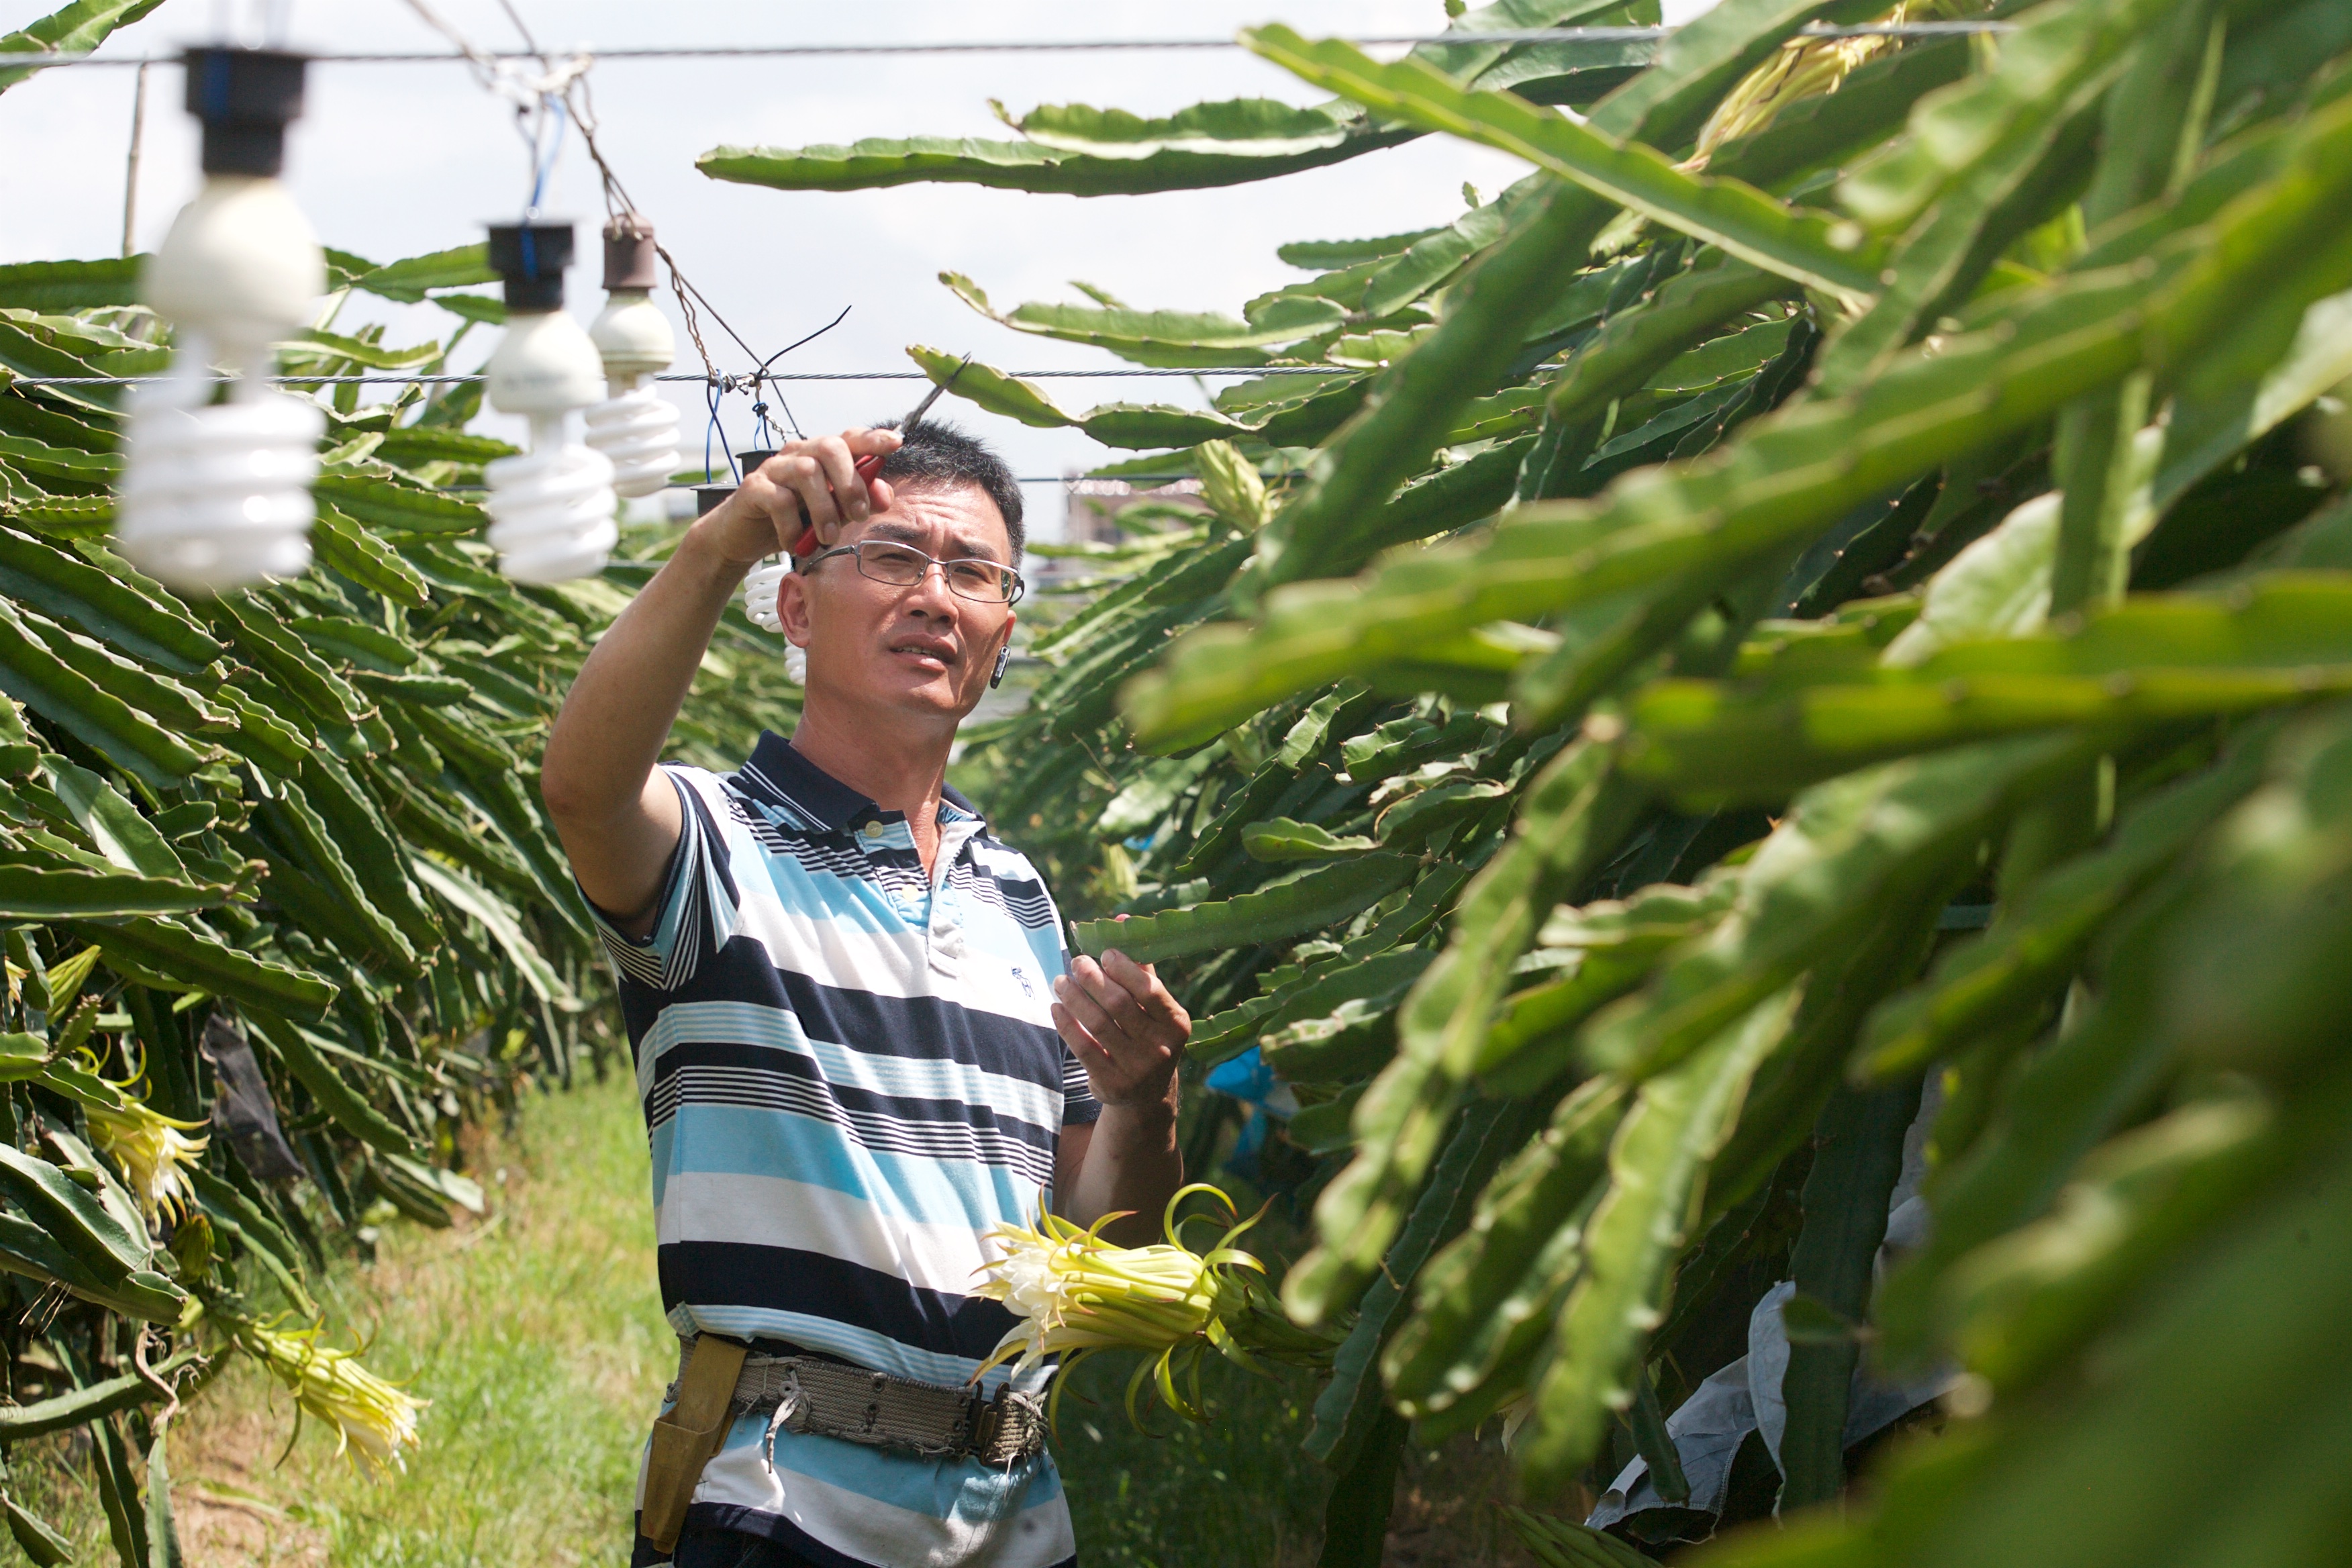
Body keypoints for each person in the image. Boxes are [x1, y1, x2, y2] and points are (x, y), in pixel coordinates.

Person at [540, 420, 1190, 1568]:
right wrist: (724, 542)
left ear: (1000, 638)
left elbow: (1107, 1248)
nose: (936, 598)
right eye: (893, 558)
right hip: (778, 1504)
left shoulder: (1021, 905)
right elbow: (585, 792)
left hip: (1017, 1520)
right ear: (796, 610)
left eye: (975, 574)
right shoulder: (716, 845)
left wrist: (1143, 1102)